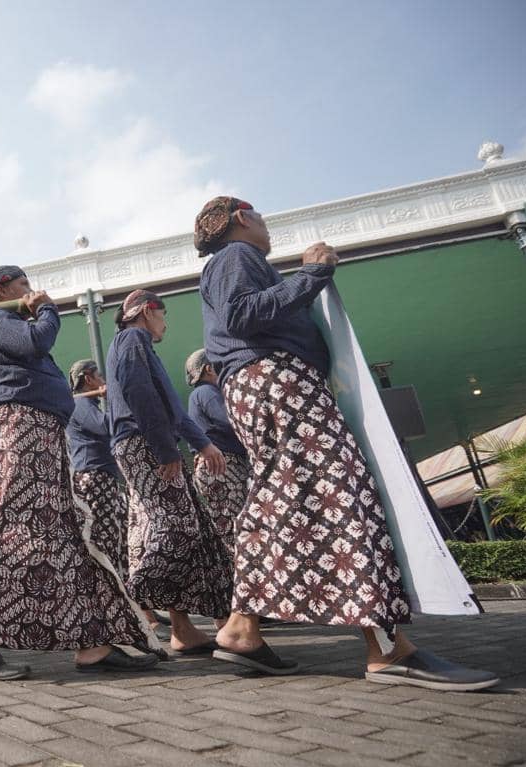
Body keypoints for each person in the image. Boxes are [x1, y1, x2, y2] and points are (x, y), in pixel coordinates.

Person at [195, 195, 497, 690]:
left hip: (262, 385)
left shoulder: (231, 261)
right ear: (242, 218)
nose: (268, 225)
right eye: (263, 215)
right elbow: (241, 316)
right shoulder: (237, 256)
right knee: (341, 491)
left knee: (281, 502)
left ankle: (241, 629)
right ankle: (386, 648)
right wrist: (313, 274)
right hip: (279, 380)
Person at [0, 266, 163, 680]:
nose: (32, 292)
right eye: (24, 286)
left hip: (38, 436)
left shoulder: (7, 323)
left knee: (62, 537)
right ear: (3, 288)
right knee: (13, 532)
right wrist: (47, 310)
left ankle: (92, 646)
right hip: (16, 433)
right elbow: (37, 339)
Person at [105, 291, 233, 656]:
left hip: (147, 439)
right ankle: (126, 610)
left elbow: (172, 409)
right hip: (143, 442)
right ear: (147, 310)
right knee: (177, 527)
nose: (166, 323)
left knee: (197, 533)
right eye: (163, 314)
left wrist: (203, 444)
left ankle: (183, 629)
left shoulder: (138, 344)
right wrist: (164, 448)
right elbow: (139, 394)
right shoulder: (131, 339)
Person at [65, 360, 129, 586]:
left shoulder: (87, 404)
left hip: (101, 475)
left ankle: (135, 605)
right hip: (94, 476)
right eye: (99, 376)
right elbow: (105, 428)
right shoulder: (81, 403)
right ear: (88, 379)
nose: (102, 381)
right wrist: (113, 399)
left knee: (117, 535)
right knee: (106, 537)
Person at [184, 348, 251, 559]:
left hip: (220, 467)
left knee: (229, 526)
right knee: (235, 526)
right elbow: (231, 419)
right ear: (209, 369)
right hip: (223, 468)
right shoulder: (206, 393)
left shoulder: (201, 394)